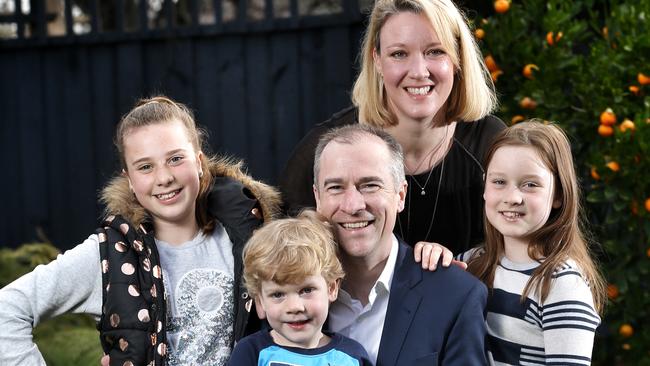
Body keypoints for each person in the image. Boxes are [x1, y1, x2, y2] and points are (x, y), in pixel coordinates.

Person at [0, 96, 280, 366]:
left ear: (199, 161)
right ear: (129, 179)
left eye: (175, 159)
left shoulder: (251, 237)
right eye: (145, 167)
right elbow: (7, 309)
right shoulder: (110, 255)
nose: (164, 178)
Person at [280, 0, 506, 256]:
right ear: (377, 60)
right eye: (399, 54)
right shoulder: (328, 149)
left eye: (435, 52)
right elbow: (286, 262)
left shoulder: (491, 145)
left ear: (457, 58)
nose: (419, 72)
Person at [313, 123, 488, 365]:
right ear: (317, 198)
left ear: (400, 195)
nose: (353, 205)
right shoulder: (286, 289)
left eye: (370, 185)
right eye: (335, 187)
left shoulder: (455, 295)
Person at [462, 121, 606, 365]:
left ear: (559, 194)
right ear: (484, 187)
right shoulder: (471, 262)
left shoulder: (561, 286)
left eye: (530, 185)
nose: (512, 197)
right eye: (499, 182)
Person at [228, 211, 372, 366]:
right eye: (277, 294)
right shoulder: (252, 352)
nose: (295, 307)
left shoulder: (352, 357)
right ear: (260, 302)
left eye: (307, 290)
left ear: (331, 288)